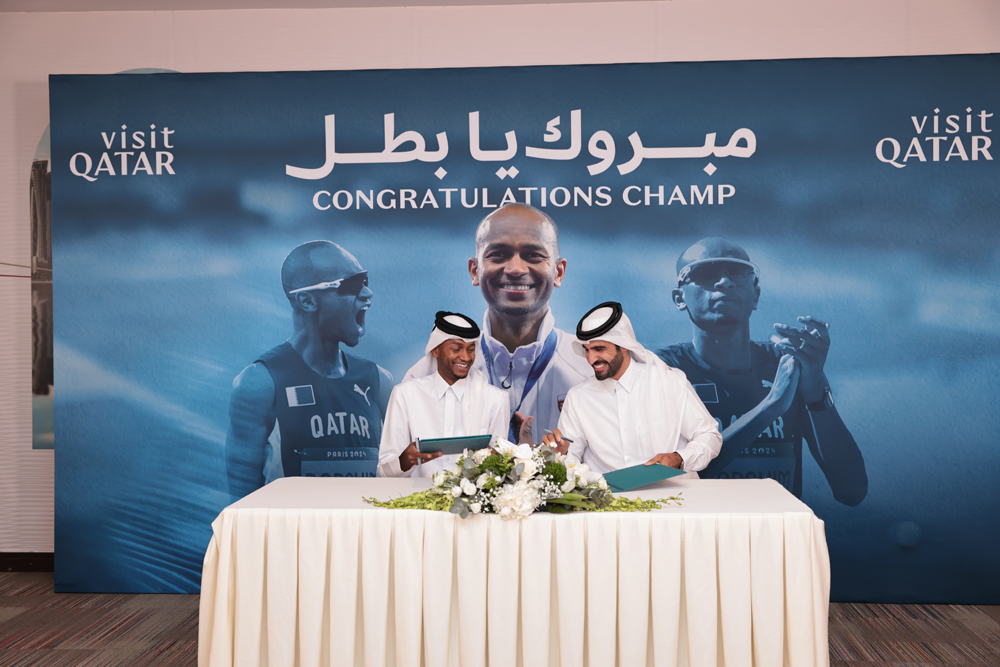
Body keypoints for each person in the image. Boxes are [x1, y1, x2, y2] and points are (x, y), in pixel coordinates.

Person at [657, 237, 868, 505]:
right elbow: (644, 482)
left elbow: (852, 491)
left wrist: (816, 393)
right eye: (706, 273)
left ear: (755, 296)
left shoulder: (786, 364)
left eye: (738, 273)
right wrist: (769, 408)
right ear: (680, 298)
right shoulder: (661, 371)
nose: (725, 282)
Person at [225, 240, 392, 499]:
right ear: (307, 300)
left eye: (365, 281)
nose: (367, 293)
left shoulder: (378, 382)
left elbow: (403, 475)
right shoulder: (260, 384)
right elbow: (242, 502)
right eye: (352, 284)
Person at [542, 302, 722, 476]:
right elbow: (572, 458)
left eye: (599, 349)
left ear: (624, 345)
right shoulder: (578, 397)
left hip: (673, 492)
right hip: (610, 496)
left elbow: (709, 436)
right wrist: (561, 454)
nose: (590, 359)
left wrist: (679, 459)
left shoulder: (669, 382)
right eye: (587, 350)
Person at [468, 203, 593, 444]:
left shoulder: (591, 370)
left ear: (558, 272)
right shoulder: (431, 374)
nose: (516, 269)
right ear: (475, 271)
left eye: (533, 255)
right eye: (498, 255)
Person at [378, 311, 509, 478]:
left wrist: (494, 459)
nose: (465, 357)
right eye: (456, 349)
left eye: (471, 349)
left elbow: (499, 470)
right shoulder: (405, 395)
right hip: (416, 495)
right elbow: (385, 471)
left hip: (473, 495)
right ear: (435, 351)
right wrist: (405, 460)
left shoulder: (495, 399)